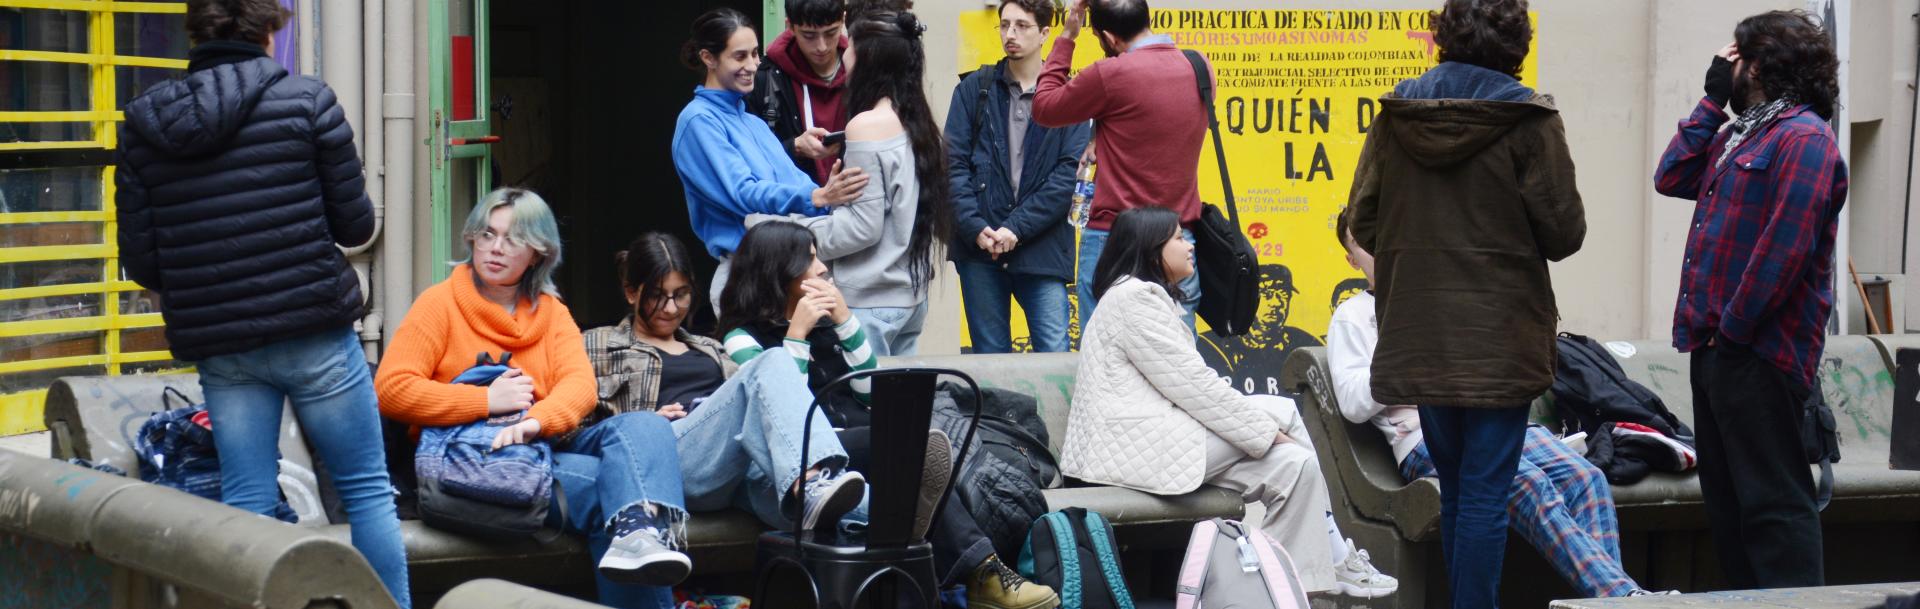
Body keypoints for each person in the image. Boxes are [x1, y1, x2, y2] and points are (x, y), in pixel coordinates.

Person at [114, 0, 409, 604]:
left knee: (245, 501)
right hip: (314, 335)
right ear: (269, 32)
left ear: (195, 32)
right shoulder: (307, 101)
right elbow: (356, 228)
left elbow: (143, 262)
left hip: (224, 348)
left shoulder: (143, 123)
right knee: (367, 493)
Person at [1346, 0, 1586, 605]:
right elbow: (1565, 234)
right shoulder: (1528, 120)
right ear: (1517, 45)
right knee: (1483, 491)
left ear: (1442, 37)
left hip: (1419, 329)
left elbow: (1363, 221)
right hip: (1499, 338)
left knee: (1458, 490)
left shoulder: (1396, 115)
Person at [711, 223, 1060, 609]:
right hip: (806, 457)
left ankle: (976, 572)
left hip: (858, 444)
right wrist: (797, 334)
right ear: (779, 270)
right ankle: (984, 575)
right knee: (905, 446)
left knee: (906, 450)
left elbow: (872, 395)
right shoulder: (742, 338)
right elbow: (782, 409)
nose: (824, 269)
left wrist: (844, 322)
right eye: (811, 260)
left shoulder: (828, 324)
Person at [1329, 213, 1670, 598]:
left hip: (1496, 420)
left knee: (1585, 479)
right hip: (1422, 436)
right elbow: (1353, 403)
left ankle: (1609, 600)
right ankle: (1623, 598)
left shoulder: (1440, 297)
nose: (1379, 251)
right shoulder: (1353, 317)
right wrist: (1406, 361)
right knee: (1527, 483)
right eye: (1364, 244)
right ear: (1352, 259)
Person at [1062, 208, 1397, 598]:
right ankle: (1339, 557)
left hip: (1160, 443)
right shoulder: (1133, 299)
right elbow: (1195, 389)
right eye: (1176, 238)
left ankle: (1278, 593)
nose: (1189, 245)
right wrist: (1266, 433)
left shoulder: (1149, 300)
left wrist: (1269, 437)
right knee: (1284, 414)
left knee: (1297, 467)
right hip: (1124, 452)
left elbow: (1189, 391)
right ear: (1152, 250)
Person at [375, 190, 688, 609]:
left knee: (647, 425)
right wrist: (485, 401)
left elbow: (579, 387)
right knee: (608, 489)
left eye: (513, 238)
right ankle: (636, 534)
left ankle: (639, 536)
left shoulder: (552, 312)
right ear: (472, 238)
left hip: (543, 443)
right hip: (476, 458)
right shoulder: (440, 304)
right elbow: (391, 388)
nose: (496, 248)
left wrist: (534, 422)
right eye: (488, 234)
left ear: (539, 253)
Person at [1652, 10, 1846, 589]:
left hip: (1758, 353)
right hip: (1716, 351)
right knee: (1730, 509)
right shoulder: (1744, 135)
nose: (1724, 65)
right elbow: (1671, 175)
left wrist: (1733, 331)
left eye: (1733, 57)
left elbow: (1784, 249)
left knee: (1774, 508)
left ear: (1758, 65)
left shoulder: (1805, 138)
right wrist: (1712, 101)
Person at [581, 231, 867, 539]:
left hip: (730, 464)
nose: (670, 308)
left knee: (861, 507)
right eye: (656, 295)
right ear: (631, 292)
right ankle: (810, 480)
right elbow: (573, 430)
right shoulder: (596, 344)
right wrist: (642, 424)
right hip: (669, 456)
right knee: (771, 360)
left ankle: (893, 508)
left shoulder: (710, 347)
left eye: (681, 294)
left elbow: (768, 407)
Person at [756, 10, 950, 356]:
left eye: (851, 46)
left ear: (867, 59)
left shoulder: (866, 125)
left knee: (865, 404)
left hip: (870, 301)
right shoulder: (915, 118)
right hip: (909, 299)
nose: (842, 53)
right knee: (898, 406)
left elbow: (861, 228)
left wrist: (784, 231)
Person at [671, 8, 868, 311]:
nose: (752, 65)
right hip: (749, 273)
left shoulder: (753, 122)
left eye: (754, 54)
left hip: (790, 268)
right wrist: (817, 195)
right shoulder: (698, 121)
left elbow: (796, 183)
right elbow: (743, 193)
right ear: (708, 58)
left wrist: (830, 192)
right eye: (739, 56)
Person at [1032, 0, 1209, 329]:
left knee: (1106, 358)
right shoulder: (1199, 66)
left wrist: (1069, 34)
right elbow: (1152, 118)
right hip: (1176, 237)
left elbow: (1043, 107)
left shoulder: (1109, 75)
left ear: (1110, 39)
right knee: (1177, 362)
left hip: (1113, 239)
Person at [945, 0, 1091, 354]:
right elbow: (952, 166)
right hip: (980, 248)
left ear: (1044, 33)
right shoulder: (973, 90)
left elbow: (1067, 177)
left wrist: (1016, 228)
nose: (1010, 34)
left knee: (1054, 356)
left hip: (1041, 247)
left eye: (1022, 26)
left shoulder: (1069, 97)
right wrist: (975, 227)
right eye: (1004, 25)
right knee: (990, 361)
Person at [749, 0, 851, 184]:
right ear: (790, 26)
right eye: (809, 35)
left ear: (843, 20)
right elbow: (749, 156)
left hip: (857, 197)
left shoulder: (863, 70)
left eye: (831, 33)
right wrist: (793, 147)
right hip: (795, 204)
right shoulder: (765, 77)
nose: (822, 46)